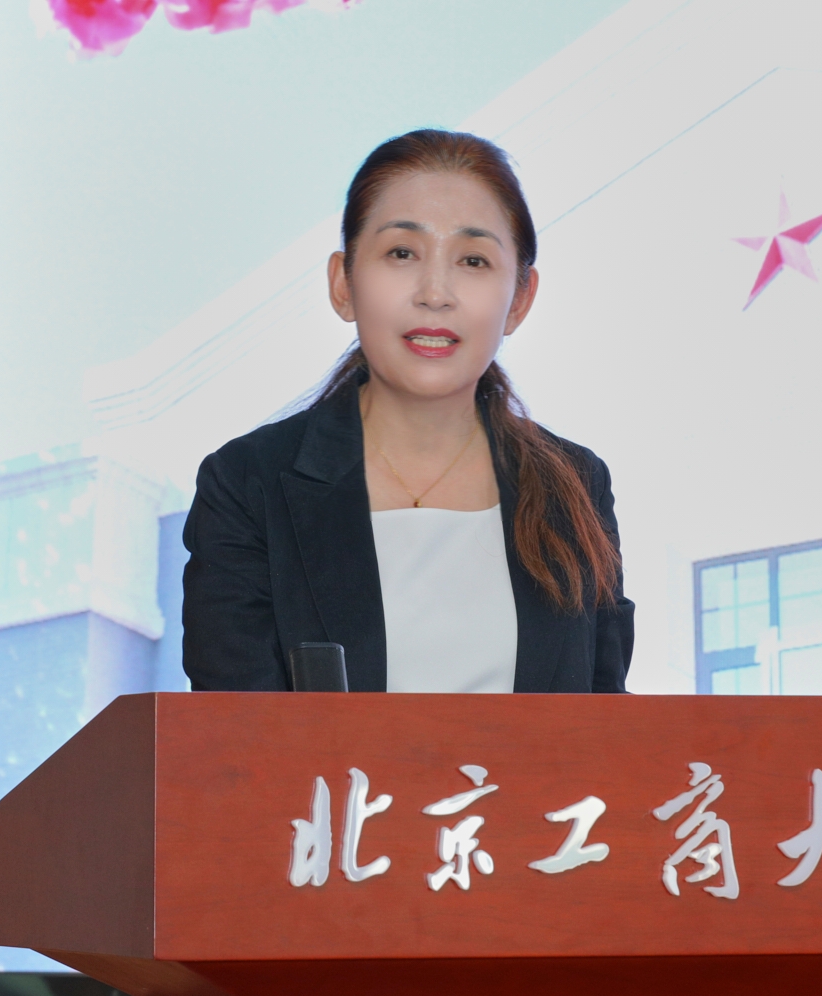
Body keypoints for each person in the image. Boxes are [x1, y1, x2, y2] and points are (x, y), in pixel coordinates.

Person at [182, 129, 633, 693]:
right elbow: (229, 729)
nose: (435, 293)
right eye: (402, 253)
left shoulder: (575, 484)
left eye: (473, 260)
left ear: (520, 299)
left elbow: (605, 724)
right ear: (343, 284)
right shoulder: (248, 484)